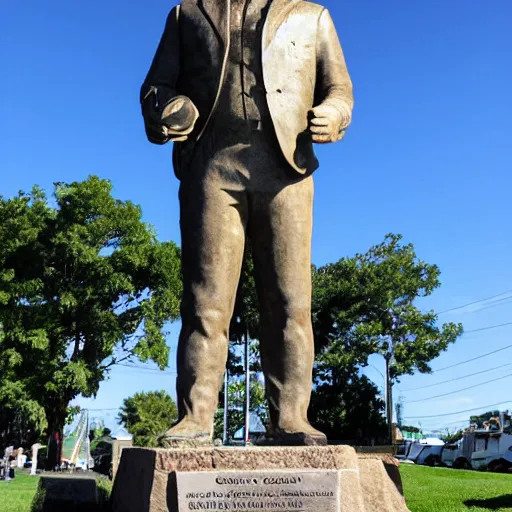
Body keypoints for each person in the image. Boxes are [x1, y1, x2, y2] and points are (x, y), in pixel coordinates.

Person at [140, 0, 353, 446]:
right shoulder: (186, 14)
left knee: (290, 301)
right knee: (205, 303)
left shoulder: (313, 16)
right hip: (212, 168)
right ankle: (196, 418)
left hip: (286, 172)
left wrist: (334, 115)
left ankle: (291, 417)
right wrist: (167, 107)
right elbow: (154, 87)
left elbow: (340, 91)